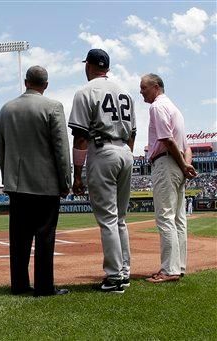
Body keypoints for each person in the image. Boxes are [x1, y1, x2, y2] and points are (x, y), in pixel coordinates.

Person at [0, 65, 71, 297]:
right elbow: (61, 149)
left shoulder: (7, 109)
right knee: (45, 235)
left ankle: (19, 284)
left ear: (26, 81)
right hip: (46, 184)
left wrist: (8, 176)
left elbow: (2, 148)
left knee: (19, 237)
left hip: (17, 183)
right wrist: (65, 181)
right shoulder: (53, 107)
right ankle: (44, 286)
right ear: (45, 85)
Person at [68, 49, 136, 294]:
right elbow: (133, 132)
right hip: (125, 151)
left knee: (108, 219)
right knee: (120, 219)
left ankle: (114, 277)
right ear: (106, 67)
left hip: (102, 150)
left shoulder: (85, 91)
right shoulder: (125, 91)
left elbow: (79, 137)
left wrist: (77, 174)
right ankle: (124, 272)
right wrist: (125, 154)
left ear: (88, 66)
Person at [140, 73, 197, 283]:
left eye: (143, 88)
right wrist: (186, 164)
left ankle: (169, 270)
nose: (141, 92)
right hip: (177, 163)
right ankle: (179, 267)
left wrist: (183, 164)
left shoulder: (157, 106)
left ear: (156, 86)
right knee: (179, 219)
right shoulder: (175, 109)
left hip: (166, 162)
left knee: (165, 216)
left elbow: (166, 138)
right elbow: (186, 146)